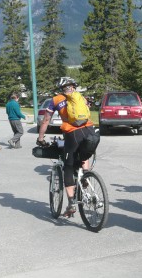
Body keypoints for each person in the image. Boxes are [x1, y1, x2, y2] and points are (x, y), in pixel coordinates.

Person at [36, 77, 99, 218]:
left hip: (72, 133)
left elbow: (46, 120)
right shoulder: (80, 97)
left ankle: (71, 203)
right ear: (73, 87)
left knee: (68, 167)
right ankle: (86, 175)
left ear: (61, 88)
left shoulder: (56, 100)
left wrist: (40, 138)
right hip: (90, 131)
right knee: (84, 154)